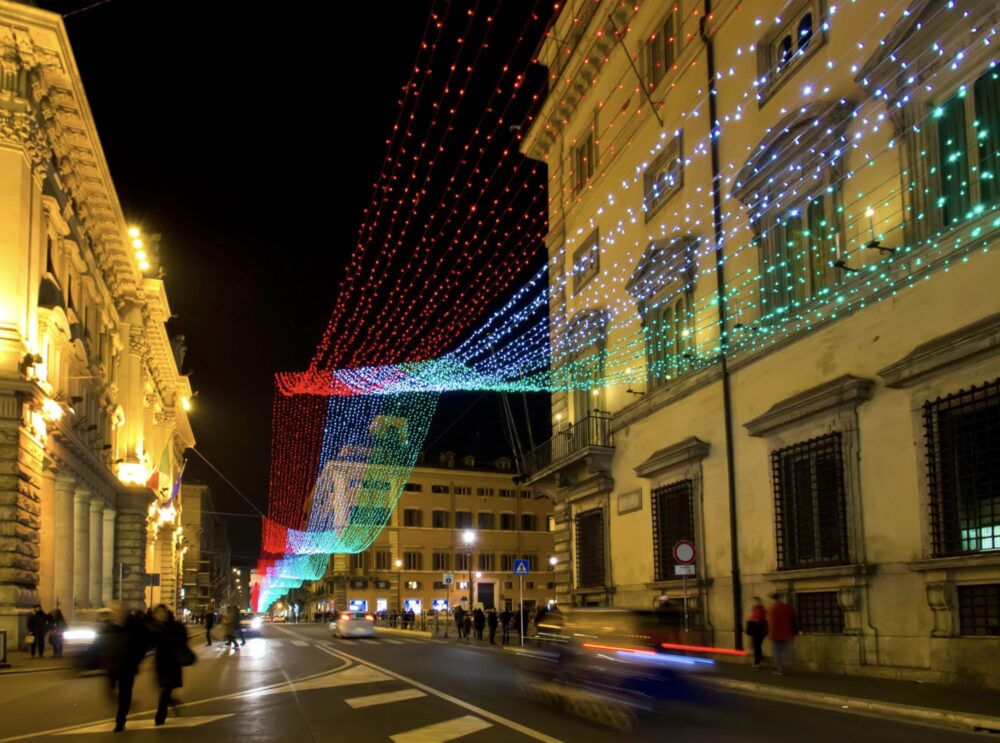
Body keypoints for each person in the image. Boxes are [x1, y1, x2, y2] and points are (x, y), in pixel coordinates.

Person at [105, 602, 150, 732]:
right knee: (109, 691)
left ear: (124, 612)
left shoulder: (134, 626)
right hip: (112, 666)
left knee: (124, 694)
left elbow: (143, 644)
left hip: (127, 666)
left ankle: (120, 720)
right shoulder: (108, 626)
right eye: (113, 610)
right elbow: (99, 645)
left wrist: (136, 660)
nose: (116, 613)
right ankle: (124, 709)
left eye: (118, 610)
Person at [148, 604, 193, 726]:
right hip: (160, 662)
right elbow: (148, 643)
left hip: (172, 661)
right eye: (158, 613)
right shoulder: (154, 627)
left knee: (166, 688)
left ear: (166, 613)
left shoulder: (175, 626)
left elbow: (183, 639)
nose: (160, 615)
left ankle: (160, 717)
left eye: (162, 612)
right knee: (163, 687)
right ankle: (172, 702)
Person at [768, 592, 796, 675]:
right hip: (786, 633)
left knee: (777, 651)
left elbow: (772, 622)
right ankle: (782, 666)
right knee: (783, 651)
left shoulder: (774, 608)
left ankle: (778, 668)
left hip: (776, 634)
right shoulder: (787, 607)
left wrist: (770, 633)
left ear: (774, 599)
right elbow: (792, 618)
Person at [745, 596, 768, 669]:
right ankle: (759, 659)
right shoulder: (760, 609)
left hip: (757, 630)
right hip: (760, 630)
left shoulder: (758, 609)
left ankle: (757, 662)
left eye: (754, 601)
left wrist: (751, 616)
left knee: (756, 646)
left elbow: (756, 619)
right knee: (756, 646)